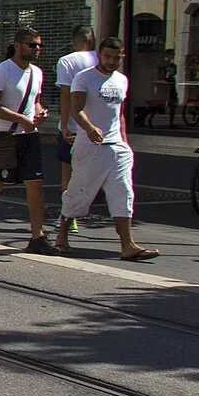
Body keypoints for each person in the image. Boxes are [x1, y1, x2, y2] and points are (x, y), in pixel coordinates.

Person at [57, 37, 158, 260]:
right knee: (80, 192)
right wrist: (89, 128)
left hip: (117, 147)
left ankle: (128, 245)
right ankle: (62, 236)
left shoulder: (121, 80)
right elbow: (76, 109)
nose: (111, 61)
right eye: (107, 56)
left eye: (116, 57)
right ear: (99, 55)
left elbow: (119, 113)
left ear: (122, 56)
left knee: (123, 192)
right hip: (90, 146)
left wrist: (125, 143)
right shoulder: (84, 78)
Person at [0, 28, 52, 252]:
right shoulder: (2, 71)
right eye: (31, 45)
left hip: (29, 136)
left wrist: (39, 112)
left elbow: (35, 101)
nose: (36, 49)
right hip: (4, 136)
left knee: (35, 185)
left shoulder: (37, 73)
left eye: (39, 46)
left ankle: (37, 236)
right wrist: (21, 119)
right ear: (17, 45)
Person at [54, 27, 100, 210]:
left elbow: (65, 95)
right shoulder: (101, 60)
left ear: (76, 41)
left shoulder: (67, 61)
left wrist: (64, 125)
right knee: (94, 170)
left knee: (69, 170)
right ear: (90, 40)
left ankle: (69, 212)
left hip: (74, 125)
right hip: (97, 125)